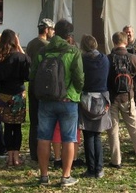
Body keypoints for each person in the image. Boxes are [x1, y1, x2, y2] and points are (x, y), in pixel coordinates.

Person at [30, 19, 84, 187]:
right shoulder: (73, 51)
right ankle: (65, 176)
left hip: (46, 100)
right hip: (68, 100)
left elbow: (32, 76)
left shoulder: (43, 51)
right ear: (69, 35)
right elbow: (79, 78)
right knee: (68, 138)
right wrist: (76, 91)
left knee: (44, 138)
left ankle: (44, 176)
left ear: (54, 31)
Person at [107, 31, 136, 168]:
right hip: (128, 97)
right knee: (134, 129)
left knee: (113, 130)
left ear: (114, 42)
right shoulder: (133, 58)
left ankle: (116, 161)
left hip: (112, 98)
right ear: (126, 42)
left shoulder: (108, 58)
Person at [0, 29, 30, 167]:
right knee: (16, 127)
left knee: (7, 126)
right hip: (18, 94)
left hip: (4, 95)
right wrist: (20, 48)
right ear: (14, 41)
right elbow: (30, 70)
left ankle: (9, 157)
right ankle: (16, 157)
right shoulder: (20, 57)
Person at [78, 34, 111, 179]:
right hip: (102, 97)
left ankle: (91, 168)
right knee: (97, 134)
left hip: (86, 97)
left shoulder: (82, 60)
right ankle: (99, 168)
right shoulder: (104, 59)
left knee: (88, 134)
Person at [25, 18, 54, 161]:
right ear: (47, 29)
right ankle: (45, 151)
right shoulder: (47, 45)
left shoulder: (30, 43)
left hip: (32, 83)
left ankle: (34, 152)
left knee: (34, 120)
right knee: (45, 119)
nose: (53, 32)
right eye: (52, 30)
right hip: (44, 85)